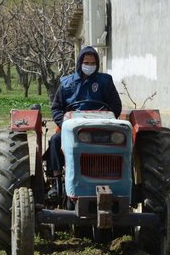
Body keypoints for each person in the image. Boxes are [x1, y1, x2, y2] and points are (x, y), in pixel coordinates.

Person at [46, 46, 122, 189]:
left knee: (120, 142)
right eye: (86, 62)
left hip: (99, 125)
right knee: (56, 140)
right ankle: (56, 181)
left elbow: (116, 105)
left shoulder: (105, 81)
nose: (89, 66)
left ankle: (116, 177)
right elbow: (56, 108)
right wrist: (64, 125)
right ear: (80, 62)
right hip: (73, 127)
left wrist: (107, 119)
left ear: (97, 64)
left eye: (93, 63)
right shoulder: (66, 83)